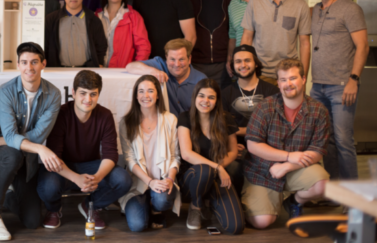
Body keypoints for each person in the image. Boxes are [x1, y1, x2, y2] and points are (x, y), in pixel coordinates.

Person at [0, 43, 61, 240]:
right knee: (12, 155)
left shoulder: (53, 94)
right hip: (0, 155)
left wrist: (0, 140)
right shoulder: (5, 91)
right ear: (18, 64)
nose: (29, 67)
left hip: (24, 156)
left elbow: (38, 136)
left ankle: (4, 195)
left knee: (32, 221)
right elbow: (10, 134)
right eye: (24, 62)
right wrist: (39, 149)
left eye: (34, 62)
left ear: (43, 64)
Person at [37, 70, 131, 230]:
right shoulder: (60, 114)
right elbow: (54, 156)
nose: (88, 99)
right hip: (62, 166)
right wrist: (76, 178)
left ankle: (90, 206)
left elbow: (110, 154)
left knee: (123, 179)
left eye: (93, 94)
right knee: (47, 187)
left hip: (91, 165)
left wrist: (97, 178)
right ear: (73, 93)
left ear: (98, 95)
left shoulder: (105, 115)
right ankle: (54, 209)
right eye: (83, 93)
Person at [243, 58, 330, 229]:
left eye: (293, 78)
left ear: (303, 79)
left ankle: (294, 202)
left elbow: (317, 150)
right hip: (263, 171)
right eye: (283, 79)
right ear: (278, 83)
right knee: (262, 222)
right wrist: (288, 156)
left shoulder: (319, 110)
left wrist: (288, 165)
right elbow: (253, 145)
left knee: (322, 185)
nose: (288, 84)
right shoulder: (264, 107)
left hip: (297, 168)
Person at [309, 0, 368, 180]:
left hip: (342, 86)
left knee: (344, 140)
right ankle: (334, 188)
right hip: (318, 86)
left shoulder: (350, 8)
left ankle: (351, 191)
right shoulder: (315, 10)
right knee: (327, 140)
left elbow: (363, 46)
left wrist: (354, 79)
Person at [177, 79, 244, 234]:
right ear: (195, 97)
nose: (205, 101)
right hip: (192, 178)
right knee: (204, 170)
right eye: (201, 96)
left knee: (235, 227)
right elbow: (186, 154)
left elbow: (233, 151)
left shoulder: (225, 119)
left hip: (216, 177)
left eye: (211, 97)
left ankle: (209, 202)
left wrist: (219, 168)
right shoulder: (185, 117)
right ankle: (196, 206)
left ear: (217, 100)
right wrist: (217, 167)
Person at [119, 75, 180, 233]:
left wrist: (169, 179)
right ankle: (145, 205)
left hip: (162, 179)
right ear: (136, 95)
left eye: (150, 91)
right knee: (137, 226)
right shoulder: (126, 122)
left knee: (161, 200)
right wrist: (150, 182)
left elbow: (175, 157)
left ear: (158, 94)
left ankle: (156, 208)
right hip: (138, 183)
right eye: (141, 91)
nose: (145, 95)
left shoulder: (170, 119)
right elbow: (130, 160)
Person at [241, 0, 311, 84]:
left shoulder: (301, 5)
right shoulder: (255, 2)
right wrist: (244, 70)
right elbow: (247, 37)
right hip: (259, 73)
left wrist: (303, 77)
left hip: (289, 74)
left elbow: (305, 43)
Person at [219, 45, 279, 193]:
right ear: (233, 65)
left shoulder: (272, 91)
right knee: (232, 168)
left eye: (247, 60)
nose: (243, 65)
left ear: (256, 63)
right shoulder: (225, 93)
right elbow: (222, 127)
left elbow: (274, 126)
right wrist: (231, 146)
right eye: (238, 61)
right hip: (237, 150)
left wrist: (238, 130)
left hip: (267, 149)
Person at [186, 0, 235, 86]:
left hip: (222, 67)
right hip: (195, 64)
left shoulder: (231, 0)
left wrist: (230, 59)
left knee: (222, 99)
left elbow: (234, 34)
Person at [127, 39, 207, 115]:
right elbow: (130, 66)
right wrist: (152, 71)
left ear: (189, 59)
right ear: (166, 59)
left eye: (181, 59)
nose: (177, 64)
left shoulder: (201, 80)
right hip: (165, 124)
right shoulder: (160, 65)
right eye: (172, 59)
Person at [45, 0, 107, 68]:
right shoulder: (51, 20)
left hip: (86, 71)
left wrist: (99, 63)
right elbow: (45, 46)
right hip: (58, 71)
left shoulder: (93, 20)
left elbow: (101, 47)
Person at [95, 0, 150, 68]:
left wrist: (136, 68)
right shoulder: (95, 16)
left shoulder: (133, 17)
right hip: (96, 71)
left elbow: (143, 47)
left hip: (123, 72)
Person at [226, 0, 266, 77]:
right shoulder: (233, 4)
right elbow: (233, 36)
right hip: (243, 67)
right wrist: (230, 59)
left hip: (266, 67)